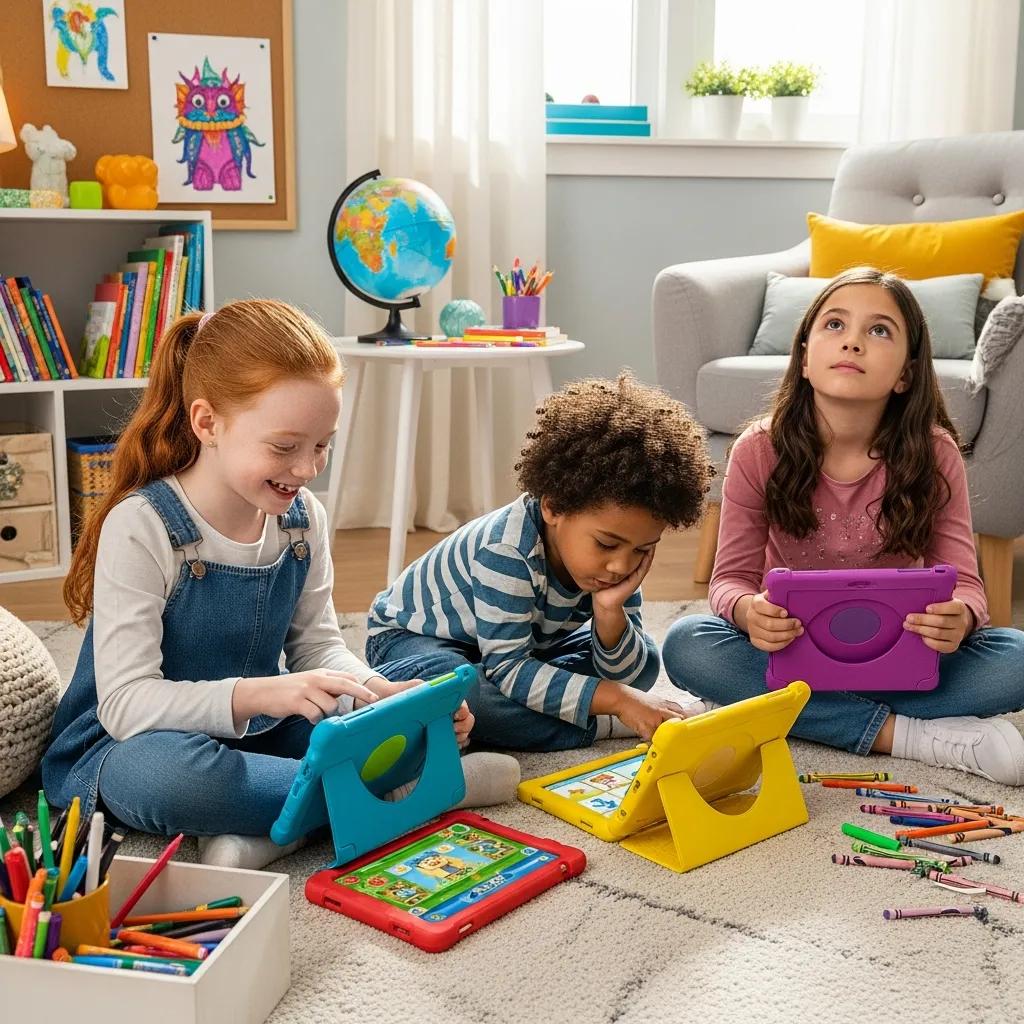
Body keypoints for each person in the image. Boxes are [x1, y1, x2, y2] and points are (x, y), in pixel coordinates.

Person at [43, 300, 518, 870]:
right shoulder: (142, 526)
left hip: (262, 732)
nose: (307, 468)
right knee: (171, 780)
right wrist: (267, 693)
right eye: (284, 447)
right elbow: (124, 704)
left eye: (322, 445)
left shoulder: (302, 518)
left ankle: (275, 829)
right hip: (133, 741)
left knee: (426, 682)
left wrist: (378, 695)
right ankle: (415, 788)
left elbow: (317, 648)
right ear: (207, 423)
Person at [662, 267, 1024, 785]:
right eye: (835, 325)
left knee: (1017, 658)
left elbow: (966, 582)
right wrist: (748, 612)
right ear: (805, 357)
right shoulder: (758, 451)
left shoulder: (934, 452)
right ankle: (905, 736)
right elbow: (729, 582)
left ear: (905, 373)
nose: (853, 342)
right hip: (797, 654)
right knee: (685, 643)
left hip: (900, 656)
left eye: (879, 331)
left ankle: (803, 714)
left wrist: (961, 618)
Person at [366, 372, 713, 749]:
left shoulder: (616, 563)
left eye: (643, 550)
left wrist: (611, 615)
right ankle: (601, 727)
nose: (621, 566)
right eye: (606, 545)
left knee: (642, 664)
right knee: (462, 691)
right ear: (553, 507)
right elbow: (510, 669)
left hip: (519, 646)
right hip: (413, 642)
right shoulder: (507, 550)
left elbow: (630, 676)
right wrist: (616, 703)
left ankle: (508, 721)